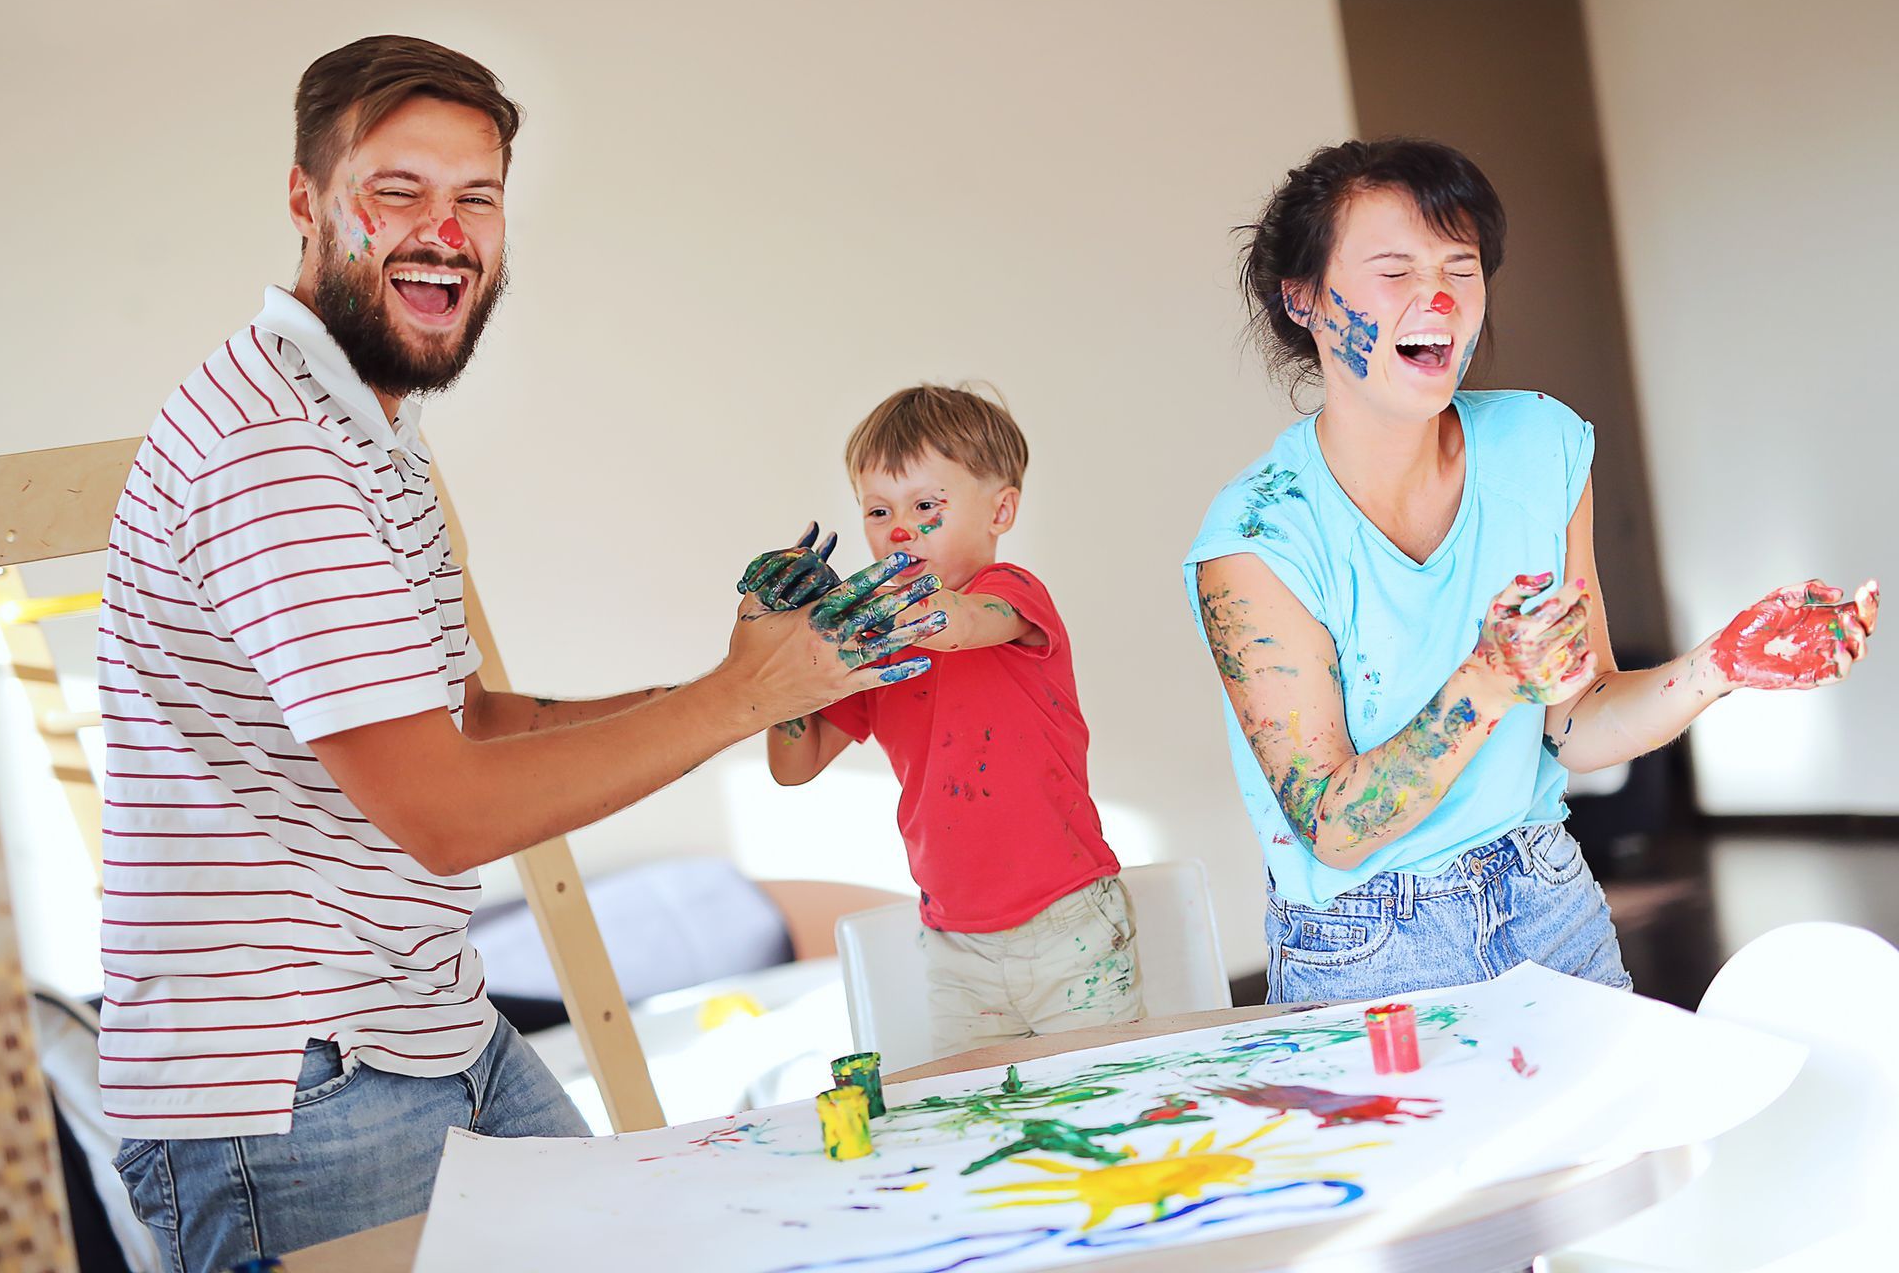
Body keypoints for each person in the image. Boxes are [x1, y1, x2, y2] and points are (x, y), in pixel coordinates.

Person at [99, 36, 938, 1268]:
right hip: (294, 1089)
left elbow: (470, 722)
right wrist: (733, 695)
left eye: (475, 198)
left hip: (423, 1022)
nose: (445, 231)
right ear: (306, 200)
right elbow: (444, 812)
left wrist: (744, 687)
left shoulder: (367, 429)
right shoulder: (274, 452)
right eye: (398, 191)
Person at [1184, 138, 1878, 1005]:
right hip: (1365, 948)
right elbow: (1334, 827)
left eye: (1460, 268)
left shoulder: (1540, 447)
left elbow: (1574, 728)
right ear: (1304, 300)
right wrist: (1488, 678)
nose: (1437, 297)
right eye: (1393, 270)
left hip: (1547, 893)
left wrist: (1721, 665)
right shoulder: (1255, 542)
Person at [756, 385, 1143, 1057]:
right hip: (956, 943)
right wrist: (787, 641)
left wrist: (854, 616)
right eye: (879, 510)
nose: (899, 530)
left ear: (1001, 510)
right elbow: (792, 767)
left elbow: (957, 625)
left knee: (1104, 1105)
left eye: (926, 506)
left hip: (1069, 922)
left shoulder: (1012, 597)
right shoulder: (876, 650)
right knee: (981, 1125)